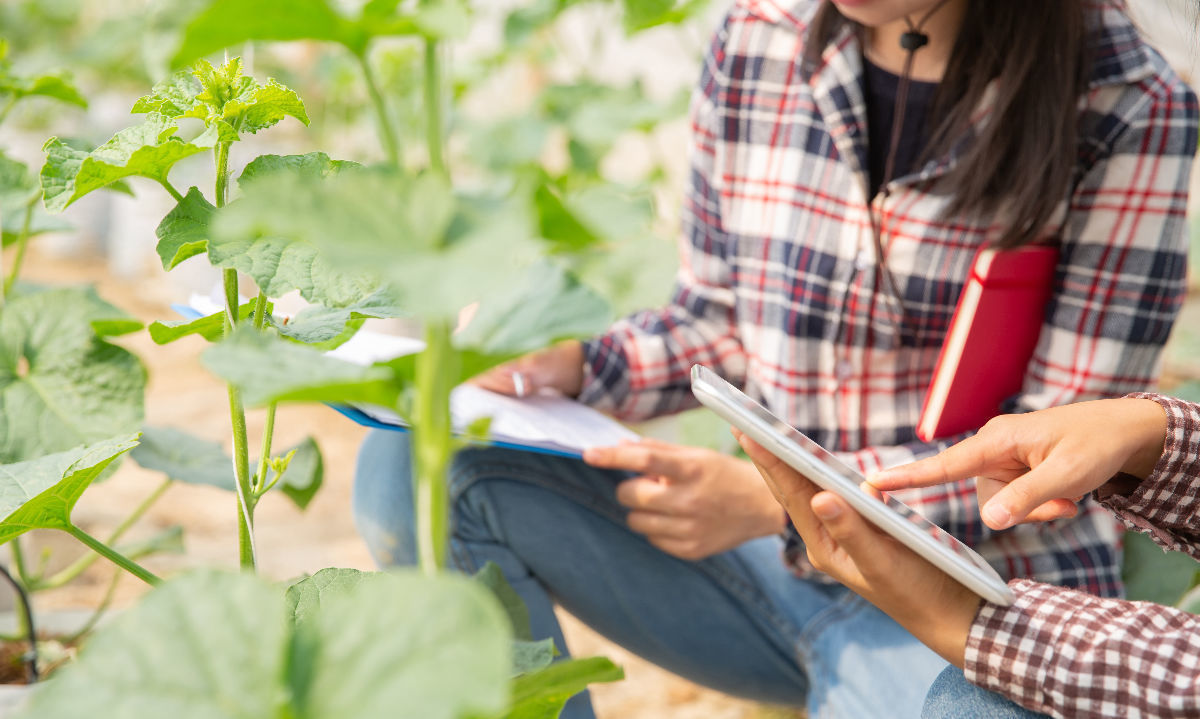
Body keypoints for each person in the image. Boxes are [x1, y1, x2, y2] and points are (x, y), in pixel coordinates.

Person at [352, 1, 1196, 716]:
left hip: (972, 606)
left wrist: (783, 500)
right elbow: (716, 319)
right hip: (767, 568)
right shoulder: (761, 33)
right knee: (415, 472)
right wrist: (574, 363)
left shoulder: (1127, 102)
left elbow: (1048, 466)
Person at [737, 391, 1200, 718]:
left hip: (1030, 584)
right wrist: (1153, 434)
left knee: (975, 704)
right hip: (821, 584)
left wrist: (969, 622)